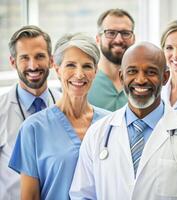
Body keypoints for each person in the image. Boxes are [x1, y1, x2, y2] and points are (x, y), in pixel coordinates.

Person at [70, 42, 177, 200]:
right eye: (132, 71)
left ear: (165, 77)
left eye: (151, 72)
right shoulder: (97, 133)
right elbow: (82, 195)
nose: (140, 80)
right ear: (122, 76)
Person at [8, 33, 110, 199]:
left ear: (95, 71)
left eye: (87, 66)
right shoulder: (33, 129)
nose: (79, 74)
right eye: (71, 65)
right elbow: (30, 196)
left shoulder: (110, 124)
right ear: (57, 69)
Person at [0, 25, 61, 200]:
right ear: (13, 62)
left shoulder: (65, 106)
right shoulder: (2, 111)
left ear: (51, 60)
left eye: (39, 56)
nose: (33, 65)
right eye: (24, 58)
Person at [88, 8, 135, 111]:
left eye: (125, 33)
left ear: (134, 39)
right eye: (110, 33)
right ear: (98, 39)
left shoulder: (141, 81)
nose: (118, 40)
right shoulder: (85, 81)